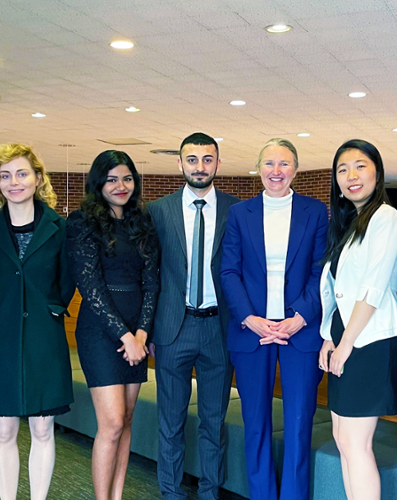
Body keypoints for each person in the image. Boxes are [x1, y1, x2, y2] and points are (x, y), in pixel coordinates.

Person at [220, 138, 328, 500]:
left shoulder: (315, 212)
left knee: (299, 425)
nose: (276, 171)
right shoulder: (240, 214)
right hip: (254, 332)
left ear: (295, 169)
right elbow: (229, 271)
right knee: (256, 424)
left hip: (300, 331)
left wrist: (301, 315)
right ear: (258, 169)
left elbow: (321, 269)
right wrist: (250, 318)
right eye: (269, 164)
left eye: (284, 164)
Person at [147, 132, 239, 500]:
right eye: (192, 159)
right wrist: (148, 327)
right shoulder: (157, 211)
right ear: (180, 163)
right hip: (173, 328)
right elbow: (149, 273)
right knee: (170, 422)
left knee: (214, 422)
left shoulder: (238, 210)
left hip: (220, 329)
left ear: (217, 162)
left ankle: (209, 492)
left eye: (207, 159)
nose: (199, 167)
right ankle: (170, 492)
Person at [0, 143, 74, 500]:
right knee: (2, 432)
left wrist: (49, 308)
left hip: (43, 337)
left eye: (21, 174)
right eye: (5, 176)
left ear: (37, 178)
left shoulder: (59, 227)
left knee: (43, 429)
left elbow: (66, 281)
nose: (13, 182)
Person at [66, 150, 158, 500]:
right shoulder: (82, 221)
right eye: (112, 179)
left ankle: (117, 496)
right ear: (98, 182)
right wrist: (125, 335)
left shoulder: (142, 221)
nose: (121, 186)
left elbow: (152, 281)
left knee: (128, 419)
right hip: (101, 332)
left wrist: (143, 332)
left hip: (137, 329)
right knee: (113, 422)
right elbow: (90, 287)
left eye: (127, 178)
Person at [319, 139, 397, 500]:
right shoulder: (350, 223)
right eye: (342, 169)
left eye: (359, 166)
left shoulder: (385, 217)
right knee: (342, 439)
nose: (351, 176)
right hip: (346, 336)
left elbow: (371, 288)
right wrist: (329, 336)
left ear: (377, 171)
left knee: (356, 443)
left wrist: (345, 344)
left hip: (368, 341)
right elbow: (335, 289)